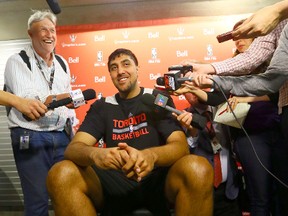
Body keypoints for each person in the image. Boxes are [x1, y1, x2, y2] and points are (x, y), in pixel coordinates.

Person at [46, 48, 214, 216]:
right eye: (114, 67)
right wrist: (97, 155)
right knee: (61, 173)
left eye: (126, 64)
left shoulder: (157, 98)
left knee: (197, 168)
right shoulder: (101, 106)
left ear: (137, 69)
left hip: (155, 178)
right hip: (114, 182)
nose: (120, 71)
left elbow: (180, 146)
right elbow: (73, 149)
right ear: (110, 75)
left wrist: (150, 156)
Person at [4, 10, 76, 216]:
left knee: (68, 196)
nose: (49, 35)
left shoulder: (63, 63)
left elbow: (64, 101)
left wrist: (69, 106)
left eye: (52, 30)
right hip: (31, 137)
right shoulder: (17, 61)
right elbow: (32, 103)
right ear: (30, 34)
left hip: (62, 136)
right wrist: (61, 99)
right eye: (43, 29)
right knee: (37, 202)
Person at [173, 89, 242, 216]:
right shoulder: (180, 119)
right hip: (198, 195)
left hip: (229, 190)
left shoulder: (226, 109)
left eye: (196, 85)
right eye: (188, 88)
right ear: (182, 93)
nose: (194, 91)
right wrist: (192, 133)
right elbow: (181, 158)